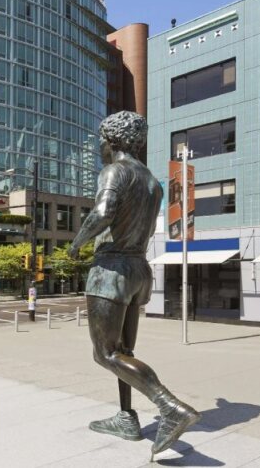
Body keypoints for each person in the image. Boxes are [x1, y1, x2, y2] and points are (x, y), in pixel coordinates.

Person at [69, 111, 200, 457]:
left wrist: (76, 244)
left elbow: (103, 212)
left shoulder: (116, 171)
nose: (99, 146)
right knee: (124, 352)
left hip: (112, 269)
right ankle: (126, 416)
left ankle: (170, 407)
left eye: (101, 140)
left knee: (105, 354)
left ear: (111, 140)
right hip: (139, 269)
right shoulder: (152, 182)